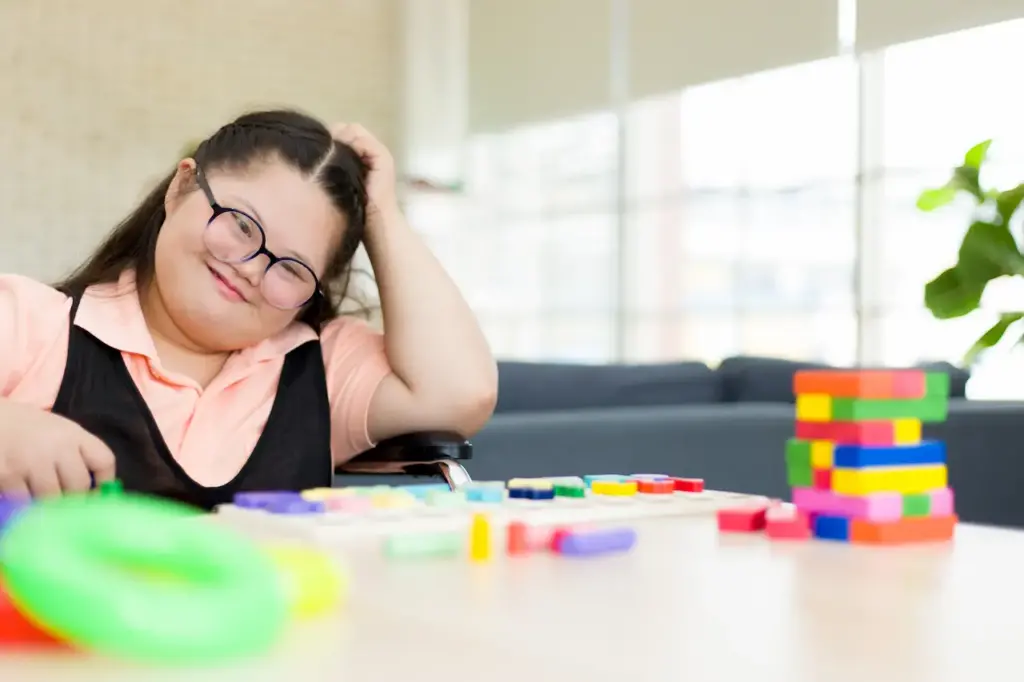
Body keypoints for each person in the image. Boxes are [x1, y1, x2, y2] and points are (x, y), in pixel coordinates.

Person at [0, 110, 498, 509]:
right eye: (240, 224)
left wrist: (382, 215)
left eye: (292, 269)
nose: (251, 268)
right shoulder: (33, 324)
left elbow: (461, 392)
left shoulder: (317, 368)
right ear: (181, 188)